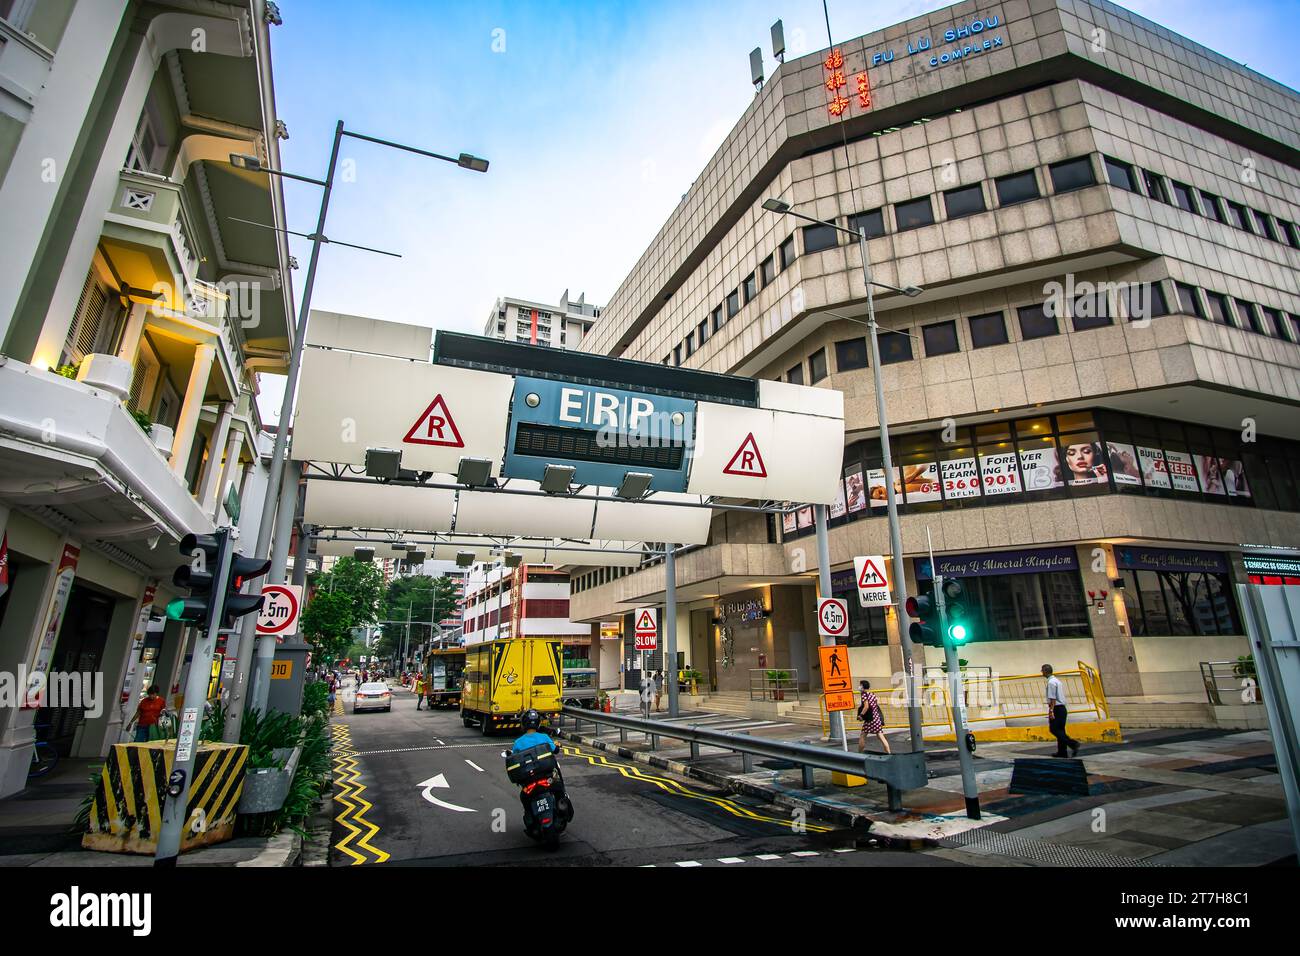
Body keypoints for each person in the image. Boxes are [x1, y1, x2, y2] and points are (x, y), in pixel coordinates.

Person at [1042, 664, 1080, 758]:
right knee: (1061, 731)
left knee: (1054, 729)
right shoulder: (1057, 681)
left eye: (1042, 670)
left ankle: (1073, 743)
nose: (1041, 672)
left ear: (1046, 671)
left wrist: (1051, 711)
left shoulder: (1051, 682)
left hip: (1057, 708)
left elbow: (1053, 698)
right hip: (1062, 708)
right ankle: (1062, 752)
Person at [856, 680, 890, 754]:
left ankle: (859, 753)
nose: (859, 687)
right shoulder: (872, 694)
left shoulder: (864, 695)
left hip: (870, 720)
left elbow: (866, 706)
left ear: (862, 686)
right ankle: (889, 753)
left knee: (863, 735)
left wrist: (861, 715)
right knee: (881, 736)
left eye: (860, 685)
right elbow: (875, 706)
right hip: (876, 718)